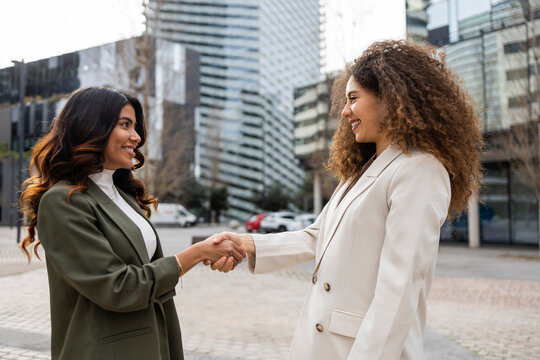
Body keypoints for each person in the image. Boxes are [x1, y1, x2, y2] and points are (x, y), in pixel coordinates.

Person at [208, 40, 483, 359]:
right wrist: (244, 243)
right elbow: (316, 236)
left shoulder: (419, 169)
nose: (344, 111)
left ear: (390, 99)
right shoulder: (360, 172)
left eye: (354, 98)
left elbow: (400, 286)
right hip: (322, 344)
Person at [20, 87, 245, 360]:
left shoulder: (122, 195)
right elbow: (118, 288)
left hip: (154, 342)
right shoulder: (63, 201)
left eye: (135, 127)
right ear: (92, 126)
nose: (137, 137)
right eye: (125, 124)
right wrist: (198, 252)